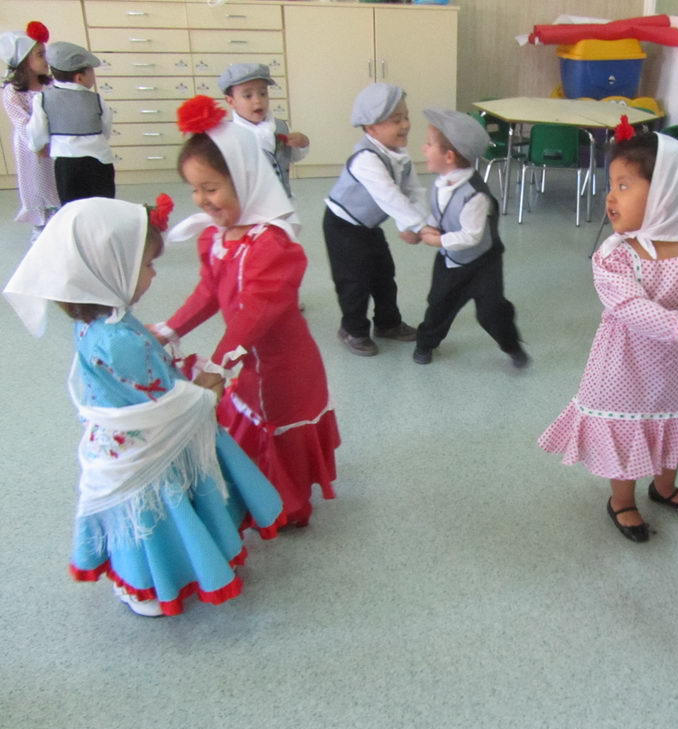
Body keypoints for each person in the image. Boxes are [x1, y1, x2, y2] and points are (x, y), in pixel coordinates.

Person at [2, 197, 285, 617]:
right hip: (145, 446)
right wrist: (209, 389)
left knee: (150, 518)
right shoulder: (120, 339)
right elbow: (165, 404)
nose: (154, 274)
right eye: (148, 265)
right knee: (156, 517)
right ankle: (151, 585)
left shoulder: (101, 321)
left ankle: (150, 578)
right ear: (109, 268)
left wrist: (157, 347)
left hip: (123, 439)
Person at [538, 125, 678, 543]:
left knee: (672, 421)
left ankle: (664, 486)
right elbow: (631, 308)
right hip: (622, 368)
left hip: (675, 369)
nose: (611, 197)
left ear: (668, 193)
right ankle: (622, 500)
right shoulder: (615, 254)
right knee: (628, 429)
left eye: (624, 185)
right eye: (610, 185)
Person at [151, 95, 340, 530]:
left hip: (282, 368)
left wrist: (219, 365)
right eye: (194, 189)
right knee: (252, 429)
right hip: (246, 361)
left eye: (212, 188)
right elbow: (210, 294)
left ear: (246, 179)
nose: (201, 200)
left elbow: (257, 311)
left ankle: (288, 509)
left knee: (278, 430)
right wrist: (169, 328)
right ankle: (260, 496)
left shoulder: (272, 246)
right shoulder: (217, 238)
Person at [413, 108, 528, 368]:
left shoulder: (475, 195)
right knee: (438, 305)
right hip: (450, 263)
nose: (423, 149)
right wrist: (428, 227)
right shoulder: (442, 181)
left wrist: (439, 241)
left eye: (429, 145)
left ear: (449, 156)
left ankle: (512, 346)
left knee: (492, 312)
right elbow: (440, 214)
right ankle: (425, 343)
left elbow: (472, 235)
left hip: (482, 264)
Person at [322, 82, 426, 357]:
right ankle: (352, 329)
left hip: (368, 225)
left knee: (383, 274)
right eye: (396, 120)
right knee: (354, 281)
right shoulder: (365, 159)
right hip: (342, 225)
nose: (405, 125)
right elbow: (389, 196)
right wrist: (413, 225)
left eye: (406, 117)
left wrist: (418, 222)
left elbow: (414, 190)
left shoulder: (400, 154)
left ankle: (387, 323)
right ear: (371, 128)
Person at [26, 41, 114, 204]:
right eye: (91, 72)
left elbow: (37, 130)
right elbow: (106, 127)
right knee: (104, 205)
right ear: (79, 77)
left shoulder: (43, 99)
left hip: (67, 164)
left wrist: (37, 147)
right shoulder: (96, 99)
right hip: (99, 162)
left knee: (72, 207)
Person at [1, 21, 60, 241]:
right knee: (35, 180)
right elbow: (21, 122)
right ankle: (40, 221)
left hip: (53, 142)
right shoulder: (12, 92)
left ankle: (57, 212)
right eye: (40, 55)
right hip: (30, 147)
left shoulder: (50, 85)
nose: (46, 60)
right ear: (25, 61)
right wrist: (38, 145)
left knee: (53, 178)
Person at [220, 62, 308, 198]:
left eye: (263, 93)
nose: (258, 101)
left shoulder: (281, 126)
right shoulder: (230, 135)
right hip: (249, 207)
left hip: (283, 200)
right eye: (248, 96)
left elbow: (291, 157)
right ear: (231, 101)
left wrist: (302, 144)